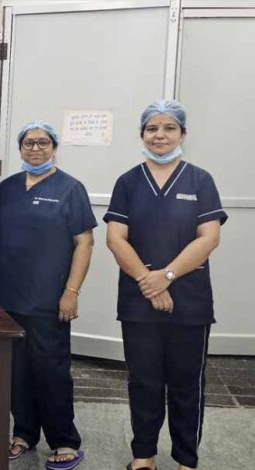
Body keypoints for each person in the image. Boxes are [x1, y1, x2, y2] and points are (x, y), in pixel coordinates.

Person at [104, 100, 226, 470]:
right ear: (142, 134)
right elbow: (115, 239)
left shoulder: (200, 180)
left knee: (187, 385)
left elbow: (209, 238)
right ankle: (144, 456)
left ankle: (187, 460)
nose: (160, 135)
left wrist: (166, 276)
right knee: (144, 382)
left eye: (169, 127)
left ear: (183, 134)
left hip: (190, 302)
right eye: (152, 128)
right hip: (139, 301)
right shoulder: (128, 182)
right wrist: (150, 283)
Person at [0, 120, 95, 470]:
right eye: (28, 142)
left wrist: (71, 291)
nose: (35, 148)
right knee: (16, 371)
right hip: (8, 298)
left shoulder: (70, 188)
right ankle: (24, 433)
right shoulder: (8, 188)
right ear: (20, 148)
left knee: (51, 372)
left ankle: (64, 440)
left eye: (43, 142)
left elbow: (84, 243)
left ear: (54, 147)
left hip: (49, 300)